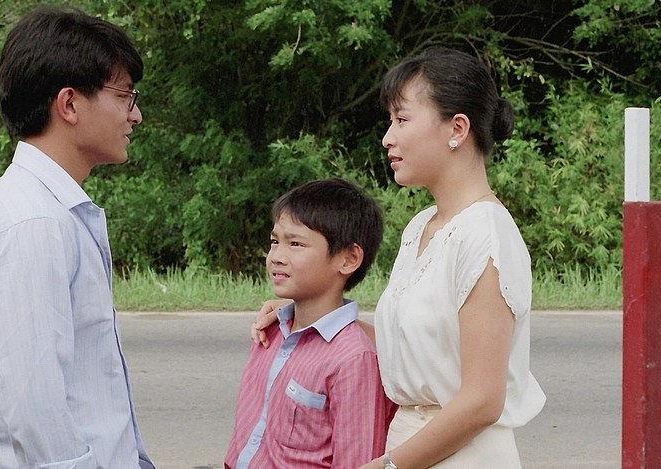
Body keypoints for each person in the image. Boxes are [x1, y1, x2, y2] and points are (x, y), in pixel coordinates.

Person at [253, 47, 546, 468]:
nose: (388, 137)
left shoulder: (487, 235)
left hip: (461, 456)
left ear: (457, 128)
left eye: (402, 119)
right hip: (412, 445)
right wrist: (308, 320)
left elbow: (482, 401)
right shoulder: (421, 226)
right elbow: (414, 346)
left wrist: (388, 466)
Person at [0, 6, 154, 468]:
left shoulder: (49, 210)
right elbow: (38, 414)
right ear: (70, 104)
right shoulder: (33, 223)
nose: (136, 115)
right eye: (125, 96)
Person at [226, 178, 396, 469]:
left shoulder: (353, 360)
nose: (277, 257)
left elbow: (356, 461)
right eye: (275, 241)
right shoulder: (270, 331)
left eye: (296, 244)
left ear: (348, 259)